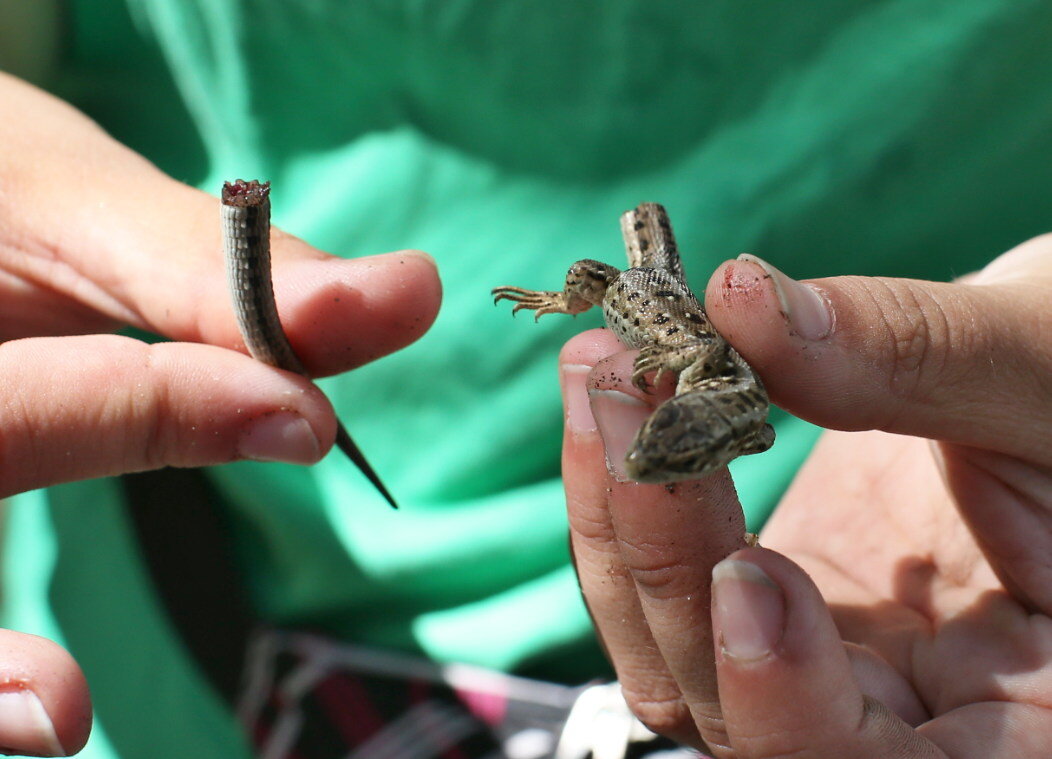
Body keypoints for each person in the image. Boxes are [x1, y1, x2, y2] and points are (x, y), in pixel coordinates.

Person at [0, 2, 1049, 757]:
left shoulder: (727, 400)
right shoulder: (663, 327)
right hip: (196, 624)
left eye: (680, 439)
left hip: (891, 587)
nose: (668, 445)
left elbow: (739, 412)